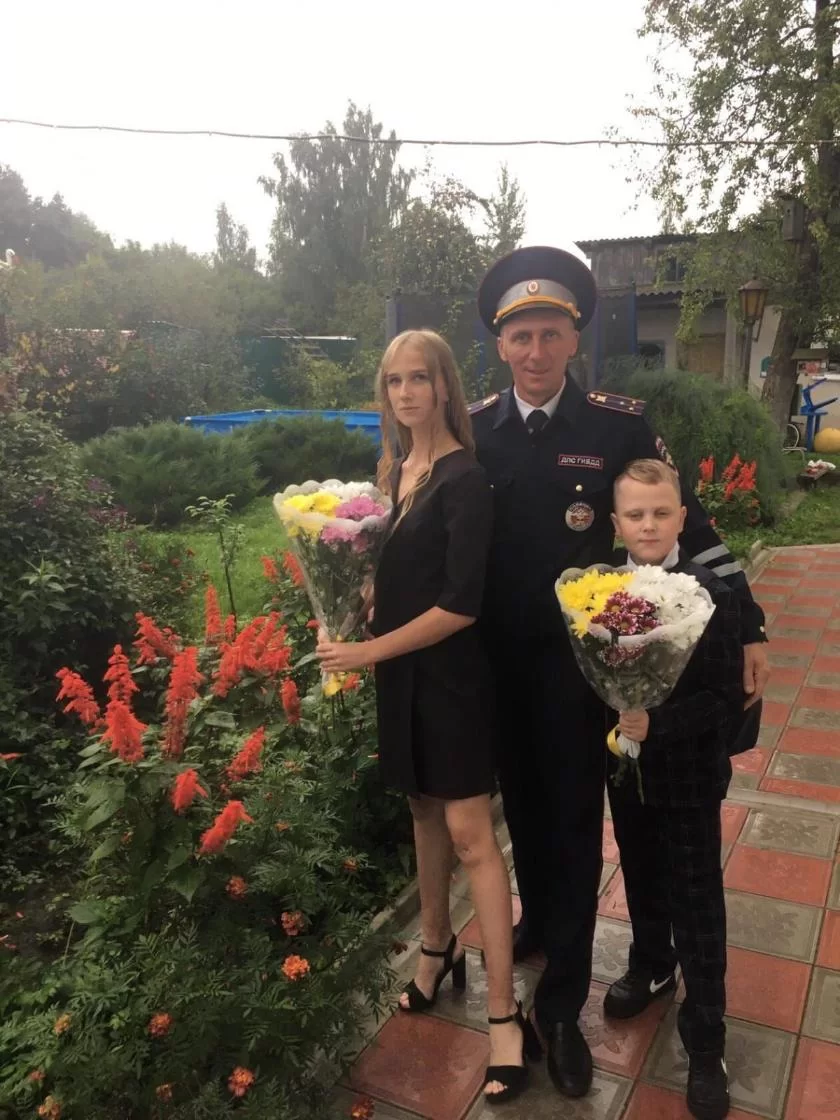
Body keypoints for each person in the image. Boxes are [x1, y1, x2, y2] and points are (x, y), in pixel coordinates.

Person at [469, 246, 769, 1099]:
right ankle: (542, 921)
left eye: (550, 334)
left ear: (574, 341)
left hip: (584, 674)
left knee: (572, 823)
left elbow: (687, 520)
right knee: (527, 814)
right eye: (521, 335)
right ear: (501, 345)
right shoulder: (477, 427)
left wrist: (749, 619)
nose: (535, 350)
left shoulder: (615, 426)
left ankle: (561, 1008)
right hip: (498, 668)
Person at [316, 329, 541, 1105]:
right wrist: (355, 601)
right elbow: (402, 573)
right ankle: (437, 949)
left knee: (473, 835)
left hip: (451, 680)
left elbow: (459, 605)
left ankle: (506, 1016)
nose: (406, 392)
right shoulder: (395, 470)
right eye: (394, 381)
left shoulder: (464, 479)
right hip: (400, 675)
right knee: (420, 810)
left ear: (445, 386)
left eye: (419, 378)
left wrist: (365, 652)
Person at [604, 458, 742, 1120]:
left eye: (661, 512)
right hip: (628, 774)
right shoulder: (601, 593)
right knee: (640, 874)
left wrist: (659, 724)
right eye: (635, 514)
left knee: (697, 902)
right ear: (616, 523)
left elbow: (725, 698)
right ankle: (652, 962)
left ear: (683, 517)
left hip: (689, 778)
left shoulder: (712, 593)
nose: (649, 525)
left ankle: (707, 1038)